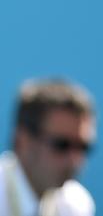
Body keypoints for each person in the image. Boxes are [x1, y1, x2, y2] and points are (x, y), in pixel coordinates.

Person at [0, 78, 96, 216]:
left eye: (83, 147)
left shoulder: (77, 205)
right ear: (22, 141)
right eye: (61, 145)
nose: (74, 161)